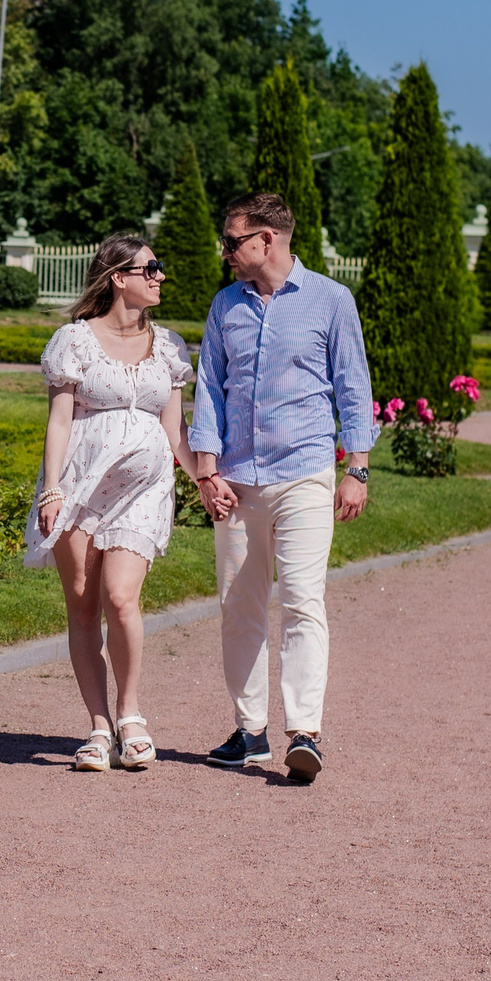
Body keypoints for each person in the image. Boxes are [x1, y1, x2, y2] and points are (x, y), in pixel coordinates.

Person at [186, 192, 376, 784]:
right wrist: (207, 471)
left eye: (233, 240)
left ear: (267, 238)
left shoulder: (330, 300)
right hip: (237, 482)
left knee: (301, 599)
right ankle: (249, 733)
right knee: (238, 608)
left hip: (305, 475)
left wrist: (358, 467)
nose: (226, 252)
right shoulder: (226, 306)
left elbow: (352, 383)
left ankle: (305, 733)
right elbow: (210, 389)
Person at [30, 232, 195, 771]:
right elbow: (59, 419)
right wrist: (53, 486)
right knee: (82, 602)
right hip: (78, 484)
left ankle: (130, 715)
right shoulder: (74, 341)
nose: (160, 276)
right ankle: (98, 728)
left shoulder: (168, 345)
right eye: (151, 269)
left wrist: (203, 479)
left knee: (120, 597)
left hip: (143, 491)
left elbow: (175, 431)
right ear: (118, 277)